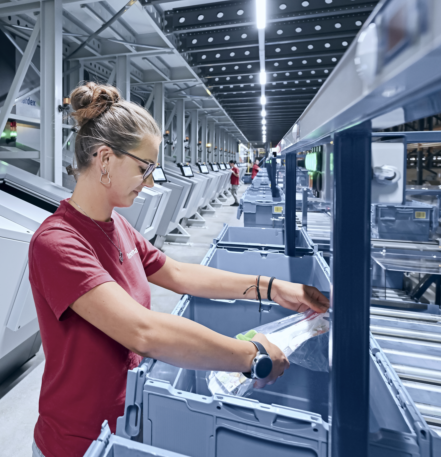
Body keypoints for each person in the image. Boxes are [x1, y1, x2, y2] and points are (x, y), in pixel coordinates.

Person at [28, 82, 330, 457]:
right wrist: (252, 356)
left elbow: (181, 275)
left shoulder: (118, 227)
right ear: (105, 160)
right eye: (144, 168)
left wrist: (273, 287)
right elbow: (143, 331)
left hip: (126, 422)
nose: (151, 180)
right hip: (76, 441)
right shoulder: (58, 242)